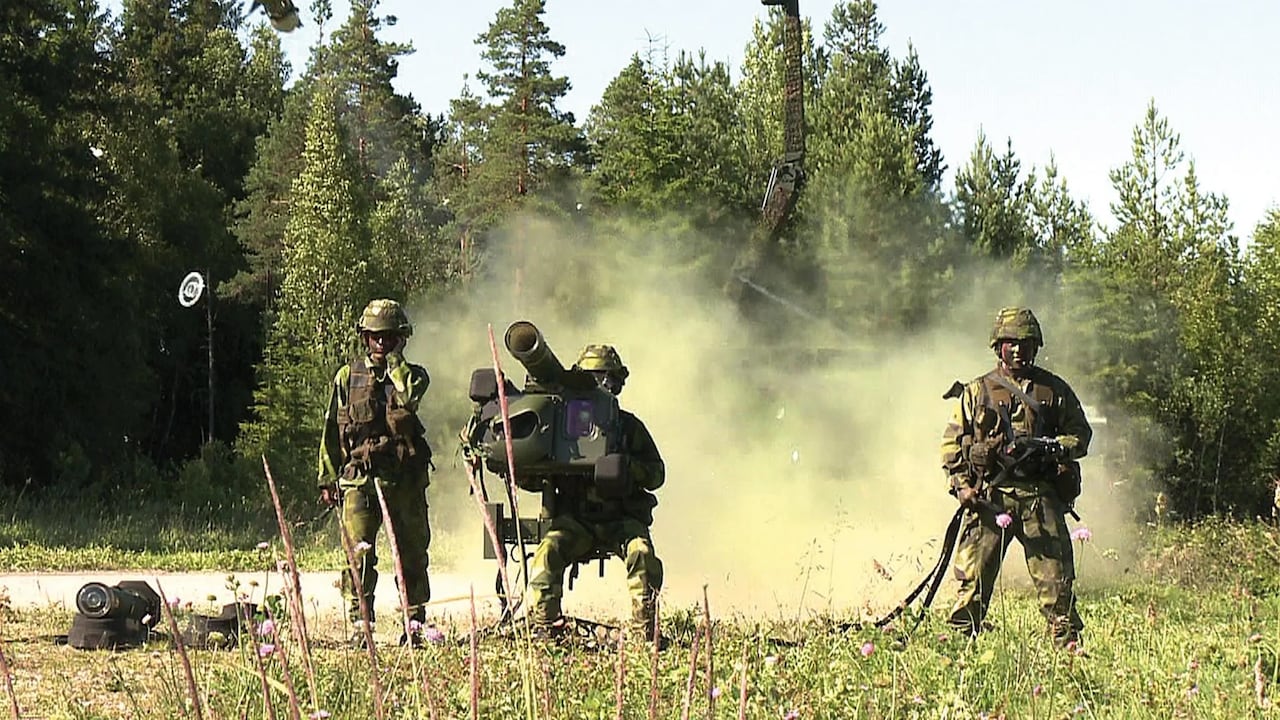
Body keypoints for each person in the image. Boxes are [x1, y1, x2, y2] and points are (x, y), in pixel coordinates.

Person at [940, 307, 1092, 647]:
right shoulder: (976, 391)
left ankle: (1065, 651)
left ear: (1036, 346)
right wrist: (962, 486)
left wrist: (1055, 449)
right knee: (972, 582)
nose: (1019, 350)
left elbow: (1080, 434)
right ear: (998, 347)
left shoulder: (1053, 391)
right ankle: (959, 650)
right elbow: (952, 444)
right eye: (1011, 343)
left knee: (1058, 585)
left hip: (1040, 498)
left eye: (1026, 342)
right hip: (990, 496)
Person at [525, 344, 666, 644]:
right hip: (576, 523)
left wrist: (627, 468)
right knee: (547, 552)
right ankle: (545, 626)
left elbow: (657, 474)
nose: (602, 386)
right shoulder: (563, 428)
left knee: (641, 553)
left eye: (607, 379)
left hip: (621, 520)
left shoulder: (628, 427)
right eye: (593, 379)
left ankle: (644, 634)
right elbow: (535, 480)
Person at [318, 298, 433, 647]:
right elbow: (331, 430)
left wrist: (395, 363)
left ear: (402, 338)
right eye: (375, 337)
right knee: (359, 556)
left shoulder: (413, 376)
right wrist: (327, 476)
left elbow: (411, 397)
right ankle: (359, 627)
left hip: (404, 481)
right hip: (360, 480)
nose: (381, 343)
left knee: (412, 555)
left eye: (390, 337)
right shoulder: (346, 377)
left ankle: (414, 625)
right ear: (364, 338)